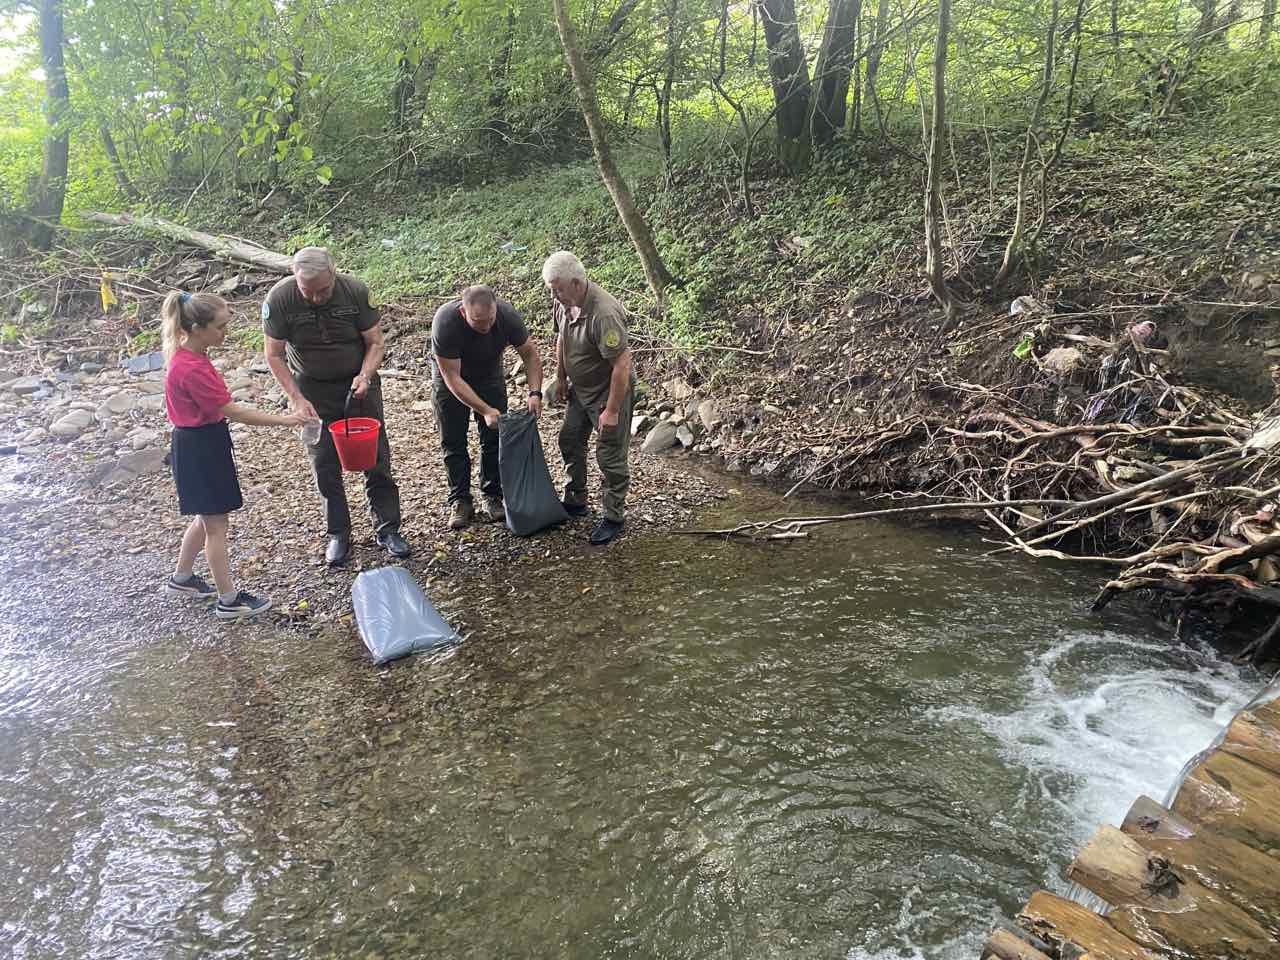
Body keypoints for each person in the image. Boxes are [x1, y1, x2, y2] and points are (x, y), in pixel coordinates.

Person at [160, 291, 305, 620]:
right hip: (200, 447)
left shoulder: (191, 355)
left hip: (198, 442)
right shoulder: (191, 368)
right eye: (221, 327)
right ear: (197, 328)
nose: (226, 333)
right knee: (216, 525)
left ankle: (182, 579)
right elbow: (234, 412)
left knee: (206, 515)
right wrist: (286, 420)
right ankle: (229, 600)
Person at [261, 247, 411, 566]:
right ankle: (339, 533)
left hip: (358, 386)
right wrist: (296, 398)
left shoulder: (354, 292)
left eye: (323, 290)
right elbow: (273, 354)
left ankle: (388, 529)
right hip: (311, 390)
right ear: (295, 280)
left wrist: (366, 375)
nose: (316, 298)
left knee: (376, 458)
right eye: (308, 291)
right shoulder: (280, 300)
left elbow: (375, 343)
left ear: (334, 273)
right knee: (324, 462)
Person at [431, 284, 544, 529]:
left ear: (496, 309)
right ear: (464, 312)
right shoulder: (446, 322)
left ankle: (492, 494)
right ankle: (460, 499)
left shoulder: (507, 316)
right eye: (478, 321)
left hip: (489, 374)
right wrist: (484, 410)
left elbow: (530, 355)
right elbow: (452, 377)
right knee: (453, 440)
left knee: (493, 436)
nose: (485, 326)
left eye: (490, 319)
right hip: (451, 378)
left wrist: (535, 392)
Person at [542, 251, 634, 546]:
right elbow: (562, 338)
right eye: (551, 290)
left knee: (609, 454)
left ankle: (613, 516)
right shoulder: (564, 302)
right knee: (569, 439)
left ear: (578, 283)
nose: (555, 295)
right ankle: (577, 497)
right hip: (580, 389)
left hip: (607, 391)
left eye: (558, 289)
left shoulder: (603, 313)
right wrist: (560, 377)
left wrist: (612, 410)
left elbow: (622, 364)